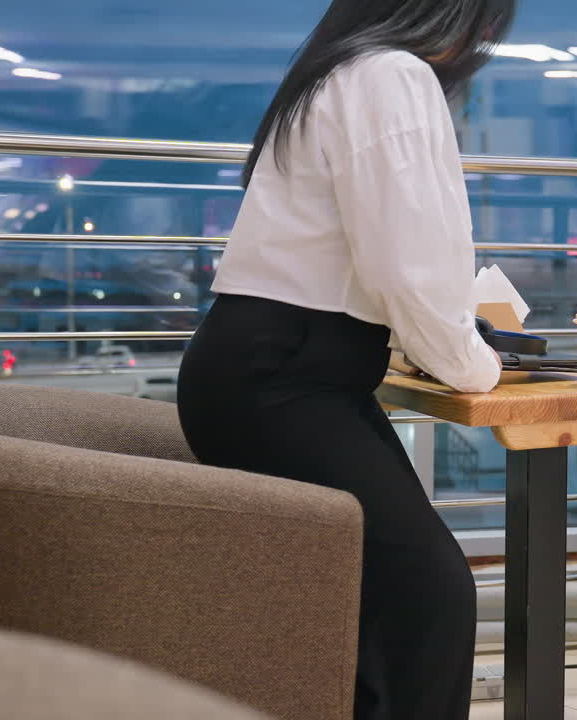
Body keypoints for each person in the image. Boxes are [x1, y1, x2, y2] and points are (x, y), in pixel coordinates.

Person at [177, 1, 515, 717]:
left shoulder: (339, 73)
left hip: (267, 370)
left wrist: (442, 346)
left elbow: (368, 265)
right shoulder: (391, 75)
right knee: (431, 595)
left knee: (375, 598)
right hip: (284, 380)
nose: (484, 41)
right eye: (486, 21)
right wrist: (476, 365)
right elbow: (406, 268)